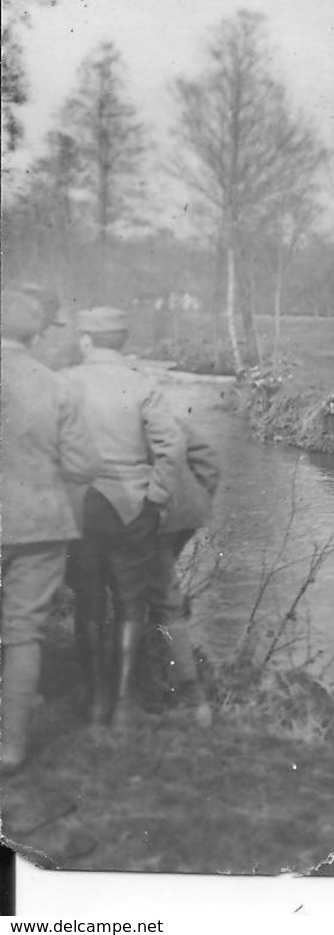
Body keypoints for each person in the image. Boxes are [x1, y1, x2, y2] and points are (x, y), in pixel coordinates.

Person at [62, 307, 186, 728]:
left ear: (86, 340)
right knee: (131, 601)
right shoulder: (141, 383)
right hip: (132, 505)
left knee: (88, 602)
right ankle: (121, 704)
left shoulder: (64, 382)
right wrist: (156, 497)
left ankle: (96, 701)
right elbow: (172, 447)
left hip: (79, 505)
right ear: (123, 341)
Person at [0, 289, 103, 774]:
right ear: (38, 333)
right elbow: (84, 465)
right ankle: (11, 747)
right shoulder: (58, 386)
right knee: (23, 632)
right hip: (39, 521)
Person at [151, 417, 221, 727]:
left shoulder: (106, 414)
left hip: (149, 517)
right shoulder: (165, 414)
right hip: (186, 512)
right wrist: (198, 497)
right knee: (159, 591)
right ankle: (160, 673)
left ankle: (191, 699)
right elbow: (208, 462)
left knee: (160, 597)